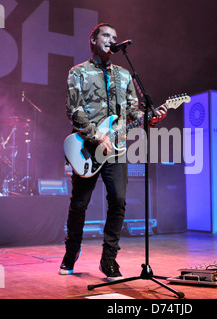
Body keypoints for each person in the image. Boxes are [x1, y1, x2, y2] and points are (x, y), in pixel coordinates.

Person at [60, 23, 166, 280]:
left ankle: (108, 260)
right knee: (79, 204)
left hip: (117, 149)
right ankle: (71, 251)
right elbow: (74, 111)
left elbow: (132, 112)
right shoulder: (79, 72)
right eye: (106, 35)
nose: (111, 40)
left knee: (118, 201)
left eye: (114, 37)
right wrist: (97, 138)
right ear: (93, 40)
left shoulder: (124, 75)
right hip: (87, 148)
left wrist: (149, 118)